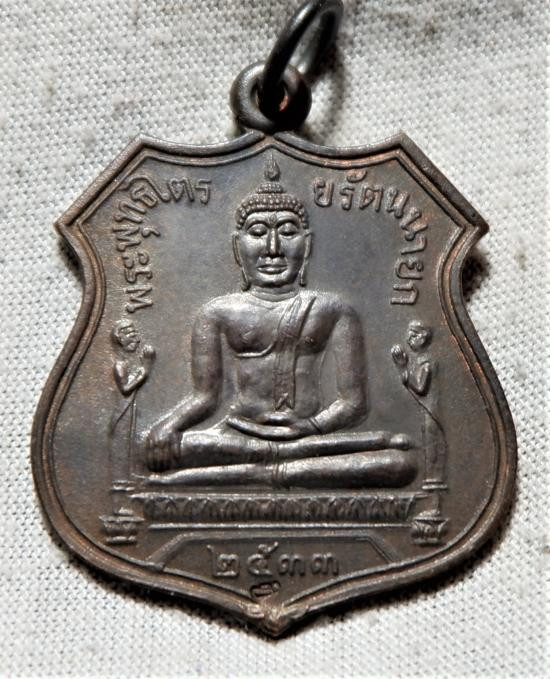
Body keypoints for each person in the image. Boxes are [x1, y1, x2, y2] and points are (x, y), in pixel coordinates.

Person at [145, 156, 416, 488]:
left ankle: (262, 471)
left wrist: (311, 427)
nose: (272, 248)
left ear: (307, 243)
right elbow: (205, 397)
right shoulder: (217, 312)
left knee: (400, 463)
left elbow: (353, 403)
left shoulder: (333, 309)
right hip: (238, 436)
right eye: (258, 233)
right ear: (237, 246)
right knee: (159, 449)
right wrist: (169, 426)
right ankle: (282, 470)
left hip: (308, 439)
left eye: (287, 232)